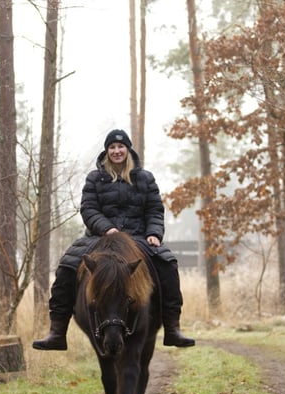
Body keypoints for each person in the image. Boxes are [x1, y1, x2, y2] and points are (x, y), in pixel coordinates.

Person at [32, 128, 195, 351]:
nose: (116, 151)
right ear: (107, 151)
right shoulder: (95, 178)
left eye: (120, 147)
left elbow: (155, 210)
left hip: (138, 237)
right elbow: (88, 209)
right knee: (67, 266)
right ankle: (57, 332)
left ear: (128, 150)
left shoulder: (145, 178)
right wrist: (107, 228)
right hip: (100, 238)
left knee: (167, 264)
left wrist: (154, 234)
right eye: (112, 147)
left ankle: (172, 328)